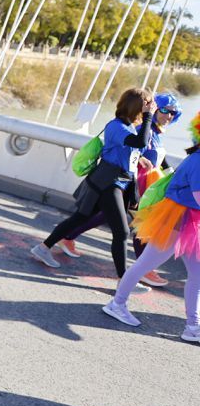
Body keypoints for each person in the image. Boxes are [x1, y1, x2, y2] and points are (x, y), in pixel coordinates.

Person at [56, 93, 182, 288]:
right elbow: (134, 149)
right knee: (140, 224)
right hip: (135, 183)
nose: (169, 115)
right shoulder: (143, 128)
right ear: (154, 110)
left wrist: (170, 174)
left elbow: (159, 158)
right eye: (165, 110)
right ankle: (143, 269)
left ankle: (67, 237)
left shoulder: (156, 133)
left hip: (144, 184)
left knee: (106, 216)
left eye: (173, 113)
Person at [31, 88, 155, 280]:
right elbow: (140, 141)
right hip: (107, 183)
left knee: (80, 218)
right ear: (136, 106)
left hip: (118, 182)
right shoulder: (116, 126)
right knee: (121, 232)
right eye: (146, 104)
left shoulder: (128, 126)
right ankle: (124, 280)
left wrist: (139, 160)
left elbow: (128, 150)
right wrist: (149, 117)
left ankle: (42, 248)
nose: (149, 108)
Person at [102, 111, 200, 343]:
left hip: (190, 222)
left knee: (197, 275)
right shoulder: (198, 161)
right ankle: (117, 304)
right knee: (146, 264)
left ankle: (193, 327)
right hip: (176, 219)